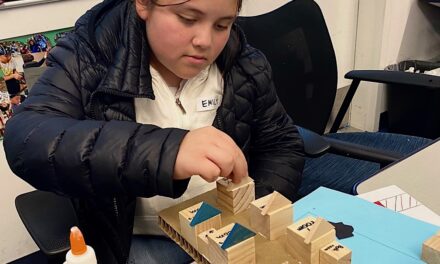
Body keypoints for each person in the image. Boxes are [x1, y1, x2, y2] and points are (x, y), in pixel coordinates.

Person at [3, 0, 305, 263]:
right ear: (144, 3)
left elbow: (281, 144)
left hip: (228, 226)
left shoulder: (245, 62)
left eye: (223, 25)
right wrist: (167, 151)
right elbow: (27, 138)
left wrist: (255, 213)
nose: (205, 41)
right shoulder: (87, 55)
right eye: (188, 19)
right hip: (139, 236)